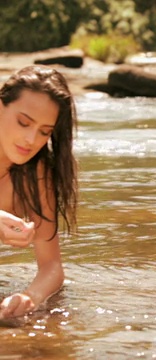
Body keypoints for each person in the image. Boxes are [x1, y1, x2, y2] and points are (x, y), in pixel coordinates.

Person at [0, 65, 78, 318]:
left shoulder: (35, 174)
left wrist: (29, 297)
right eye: (24, 122)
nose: (31, 139)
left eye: (45, 132)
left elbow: (51, 266)